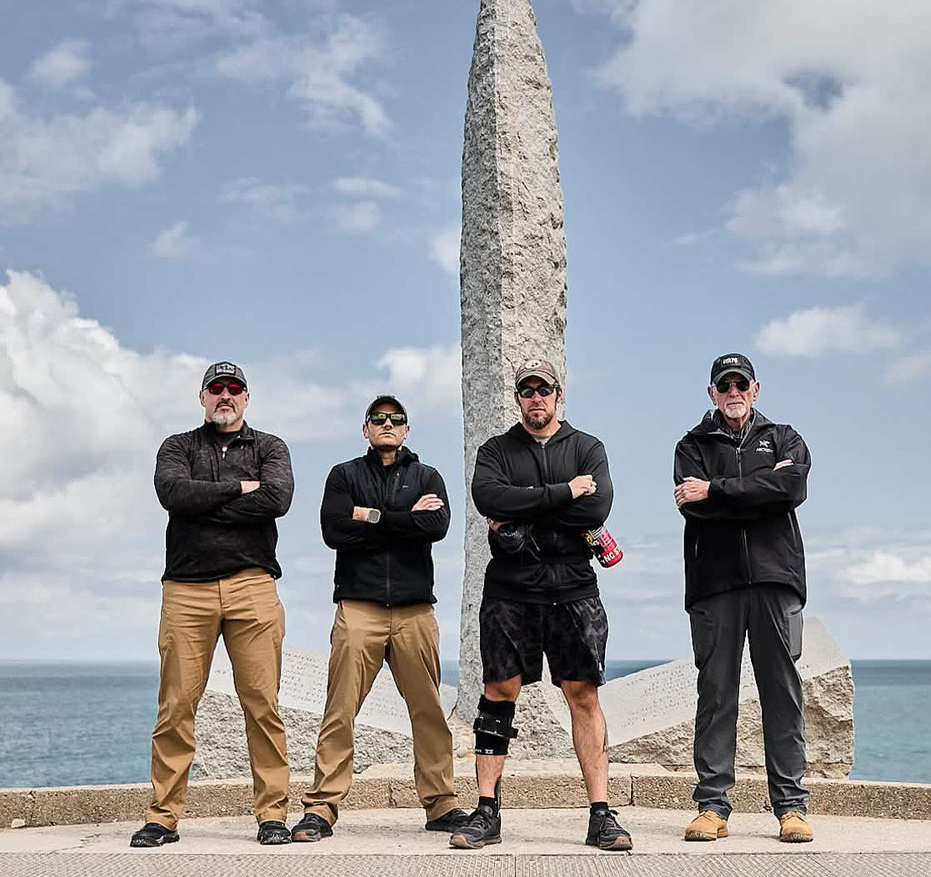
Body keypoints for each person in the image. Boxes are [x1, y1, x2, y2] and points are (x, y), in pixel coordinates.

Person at [449, 359, 632, 852]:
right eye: (526, 390)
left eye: (543, 390)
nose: (535, 398)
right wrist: (564, 494)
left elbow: (596, 509)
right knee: (499, 691)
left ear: (557, 394)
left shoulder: (587, 448)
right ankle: (487, 810)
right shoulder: (496, 451)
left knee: (583, 695)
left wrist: (523, 508)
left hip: (574, 588)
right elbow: (488, 496)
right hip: (511, 590)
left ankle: (601, 814)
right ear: (518, 398)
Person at [131, 362, 294, 848]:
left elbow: (277, 499)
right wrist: (238, 489)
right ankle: (163, 817)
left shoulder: (270, 447)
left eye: (235, 389)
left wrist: (206, 504)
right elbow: (173, 493)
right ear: (202, 397)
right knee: (176, 706)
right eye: (217, 389)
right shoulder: (177, 447)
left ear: (247, 398)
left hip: (253, 585)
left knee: (263, 706)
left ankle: (271, 815)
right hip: (186, 589)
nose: (226, 396)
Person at [290, 396, 468, 842]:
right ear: (365, 428)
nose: (387, 424)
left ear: (406, 430)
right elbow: (334, 530)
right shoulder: (344, 475)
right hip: (358, 608)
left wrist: (368, 518)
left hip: (415, 611)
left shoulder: (427, 476)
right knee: (340, 710)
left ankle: (441, 804)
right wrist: (403, 519)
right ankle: (322, 808)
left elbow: (436, 528)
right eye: (378, 419)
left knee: (428, 711)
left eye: (396, 419)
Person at [673, 353, 813, 844]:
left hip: (776, 581)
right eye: (723, 384)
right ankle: (712, 807)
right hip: (715, 586)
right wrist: (754, 493)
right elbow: (696, 512)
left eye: (741, 383)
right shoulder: (691, 445)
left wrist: (715, 489)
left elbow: (790, 487)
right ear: (712, 393)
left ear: (756, 389)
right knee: (716, 697)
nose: (733, 391)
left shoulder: (785, 438)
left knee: (783, 695)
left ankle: (791, 808)